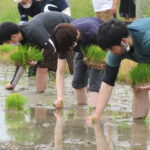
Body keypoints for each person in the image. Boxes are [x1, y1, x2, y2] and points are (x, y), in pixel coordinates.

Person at [87, 18, 150, 122]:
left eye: (111, 49)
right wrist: (97, 115)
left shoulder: (146, 40)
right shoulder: (117, 49)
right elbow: (107, 83)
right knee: (139, 87)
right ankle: (139, 125)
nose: (111, 52)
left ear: (124, 41)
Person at [0, 12, 74, 92]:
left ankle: (84, 90)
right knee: (41, 66)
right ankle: (40, 96)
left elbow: (51, 47)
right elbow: (22, 63)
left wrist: (36, 61)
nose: (9, 44)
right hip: (51, 36)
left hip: (69, 29)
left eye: (7, 42)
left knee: (74, 66)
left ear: (13, 37)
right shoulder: (22, 38)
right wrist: (12, 84)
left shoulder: (33, 30)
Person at [52, 17, 104, 108]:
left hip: (98, 45)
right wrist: (59, 97)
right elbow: (60, 72)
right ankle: (81, 110)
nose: (71, 48)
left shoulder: (92, 32)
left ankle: (94, 112)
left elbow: (109, 54)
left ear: (75, 37)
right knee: (77, 82)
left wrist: (99, 63)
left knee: (94, 84)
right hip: (82, 48)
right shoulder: (62, 40)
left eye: (72, 45)